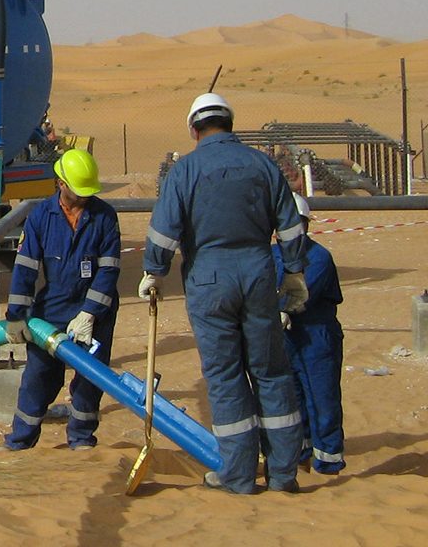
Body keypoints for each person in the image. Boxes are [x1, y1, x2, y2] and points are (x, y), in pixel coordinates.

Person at [140, 92, 309, 494]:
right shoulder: (262, 165)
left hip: (209, 281)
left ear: (193, 130)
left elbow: (163, 231)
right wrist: (294, 272)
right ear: (230, 124)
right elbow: (290, 226)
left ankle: (238, 475)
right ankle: (283, 473)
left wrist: (154, 271)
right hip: (258, 275)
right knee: (271, 371)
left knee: (225, 376)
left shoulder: (185, 170)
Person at [2, 148, 121, 450]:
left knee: (90, 378)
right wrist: (16, 316)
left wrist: (90, 313)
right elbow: (25, 269)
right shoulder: (41, 216)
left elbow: (108, 270)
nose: (84, 197)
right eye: (79, 191)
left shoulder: (104, 216)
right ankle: (21, 439)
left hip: (96, 309)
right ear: (61, 184)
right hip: (52, 307)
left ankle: (81, 438)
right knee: (38, 376)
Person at [274, 193, 346, 474]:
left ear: (306, 225)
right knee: (294, 398)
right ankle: (302, 452)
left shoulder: (318, 257)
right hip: (285, 337)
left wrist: (281, 308)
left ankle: (328, 460)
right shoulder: (272, 255)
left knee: (322, 397)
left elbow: (303, 293)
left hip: (316, 335)